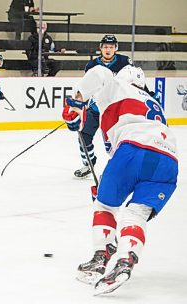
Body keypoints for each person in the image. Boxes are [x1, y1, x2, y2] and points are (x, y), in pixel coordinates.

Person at [62, 65, 178, 295]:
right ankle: (125, 261)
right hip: (169, 159)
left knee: (105, 205)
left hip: (133, 148)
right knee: (136, 213)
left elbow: (99, 73)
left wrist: (76, 102)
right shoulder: (152, 102)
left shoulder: (117, 86)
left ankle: (101, 256)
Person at [72, 34, 132, 179]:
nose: (108, 50)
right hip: (96, 109)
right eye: (105, 47)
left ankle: (122, 168)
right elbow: (87, 87)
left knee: (118, 142)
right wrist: (80, 105)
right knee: (83, 137)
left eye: (111, 47)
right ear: (101, 48)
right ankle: (88, 164)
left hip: (115, 110)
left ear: (116, 49)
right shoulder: (92, 65)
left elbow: (133, 80)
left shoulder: (124, 62)